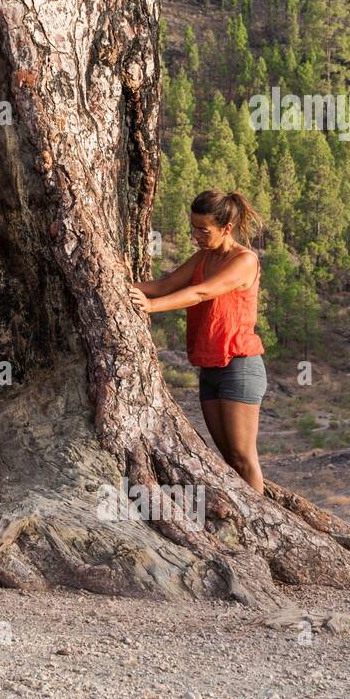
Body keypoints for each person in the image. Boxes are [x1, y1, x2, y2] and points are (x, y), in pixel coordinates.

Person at [129, 191, 267, 493]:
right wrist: (119, 284)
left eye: (203, 230)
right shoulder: (204, 257)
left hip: (239, 367)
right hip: (209, 369)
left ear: (226, 228)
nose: (196, 236)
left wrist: (151, 307)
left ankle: (260, 519)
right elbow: (164, 285)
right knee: (229, 459)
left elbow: (202, 292)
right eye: (193, 228)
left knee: (244, 459)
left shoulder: (244, 261)